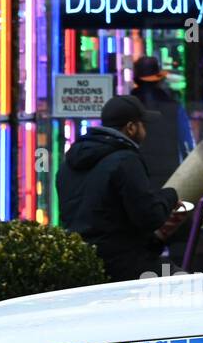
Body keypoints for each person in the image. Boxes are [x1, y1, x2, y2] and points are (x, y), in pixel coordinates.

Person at [56, 94, 178, 282]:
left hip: (83, 263)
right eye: (142, 124)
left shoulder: (67, 165)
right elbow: (149, 217)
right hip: (125, 265)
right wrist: (170, 196)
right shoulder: (126, 161)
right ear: (131, 128)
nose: (145, 130)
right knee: (187, 286)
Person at [130, 56, 194, 189]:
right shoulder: (174, 107)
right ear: (159, 81)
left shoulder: (127, 108)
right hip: (168, 175)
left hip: (135, 175)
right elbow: (187, 143)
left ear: (136, 80)